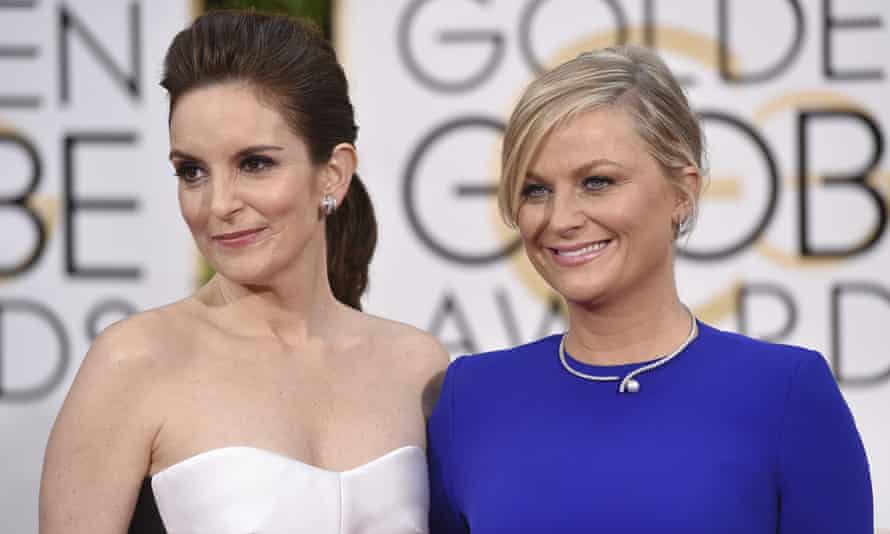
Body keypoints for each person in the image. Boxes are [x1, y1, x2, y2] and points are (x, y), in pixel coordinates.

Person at [427, 45, 873, 533]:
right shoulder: (470, 398)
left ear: (682, 192)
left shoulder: (787, 394)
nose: (561, 219)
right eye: (536, 190)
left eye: (596, 182)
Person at [39, 10, 448, 534]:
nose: (218, 204)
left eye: (254, 163)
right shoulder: (134, 362)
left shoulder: (417, 367)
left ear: (334, 173)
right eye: (192, 172)